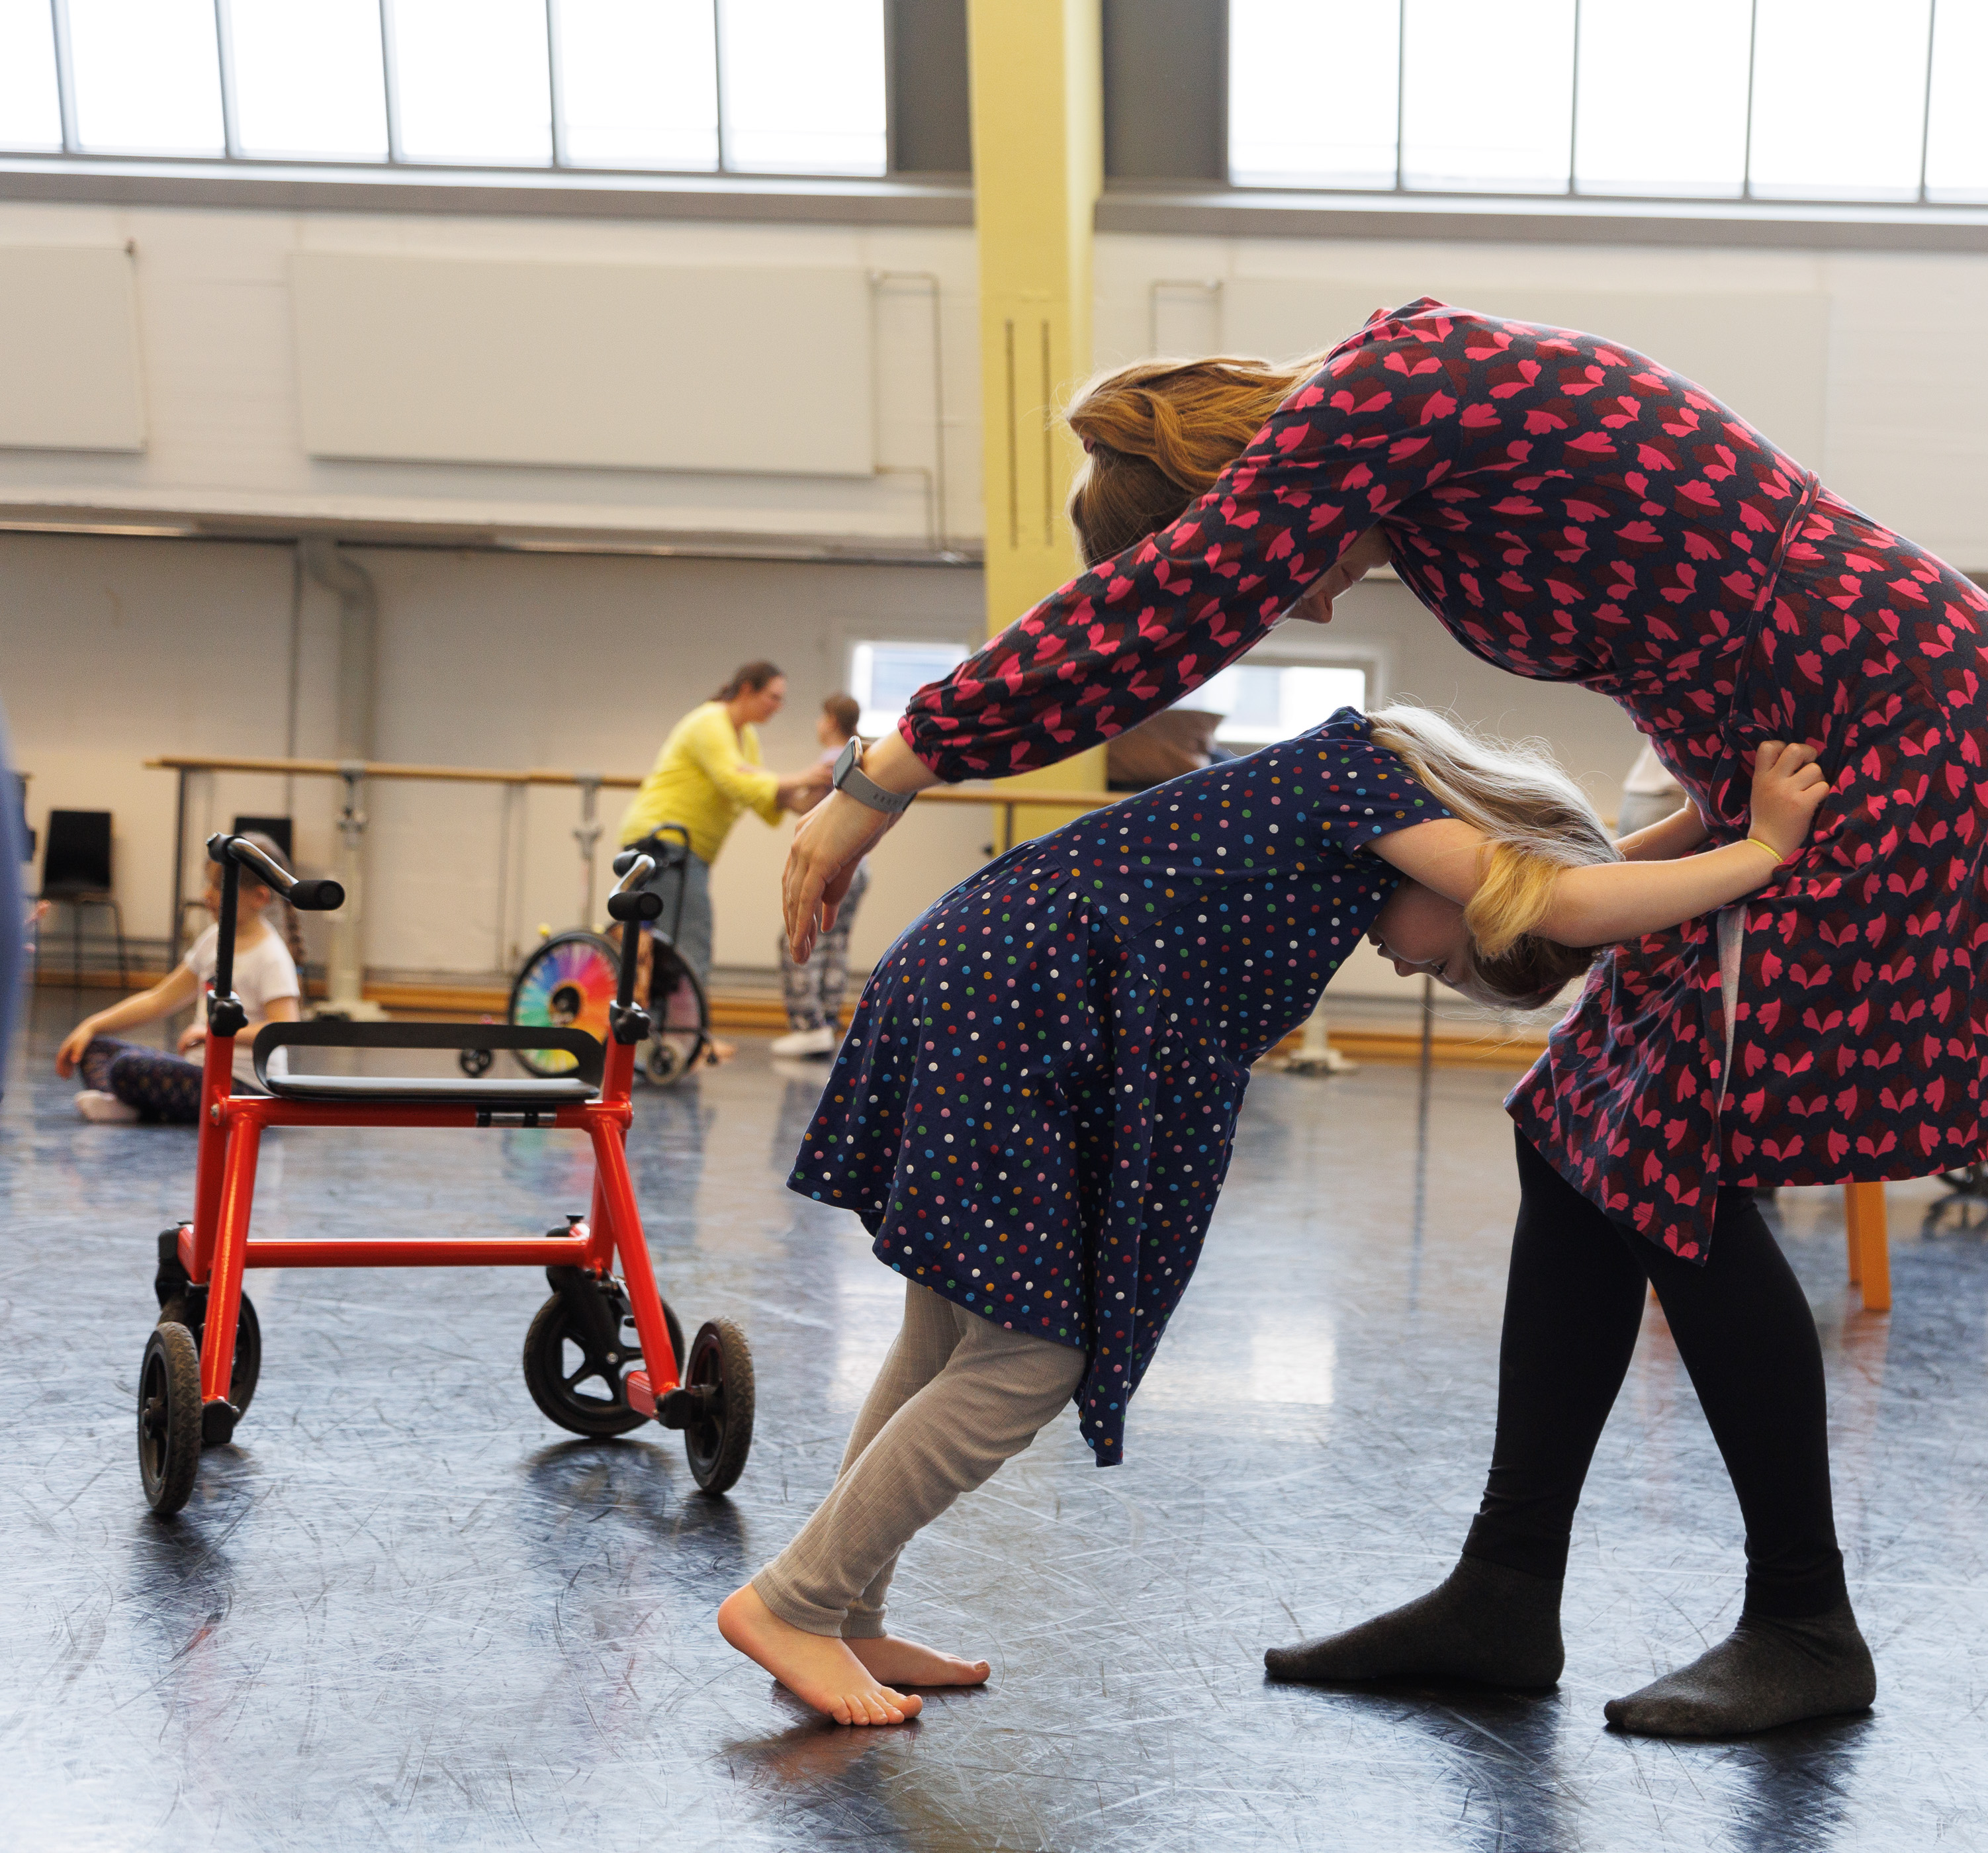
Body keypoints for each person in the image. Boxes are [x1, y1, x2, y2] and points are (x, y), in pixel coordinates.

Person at [782, 299, 1988, 1738]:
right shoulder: (1407, 429)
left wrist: (883, 774)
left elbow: (1146, 624)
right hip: (1794, 736)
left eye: (1291, 584)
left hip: (1901, 719)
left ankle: (1803, 1617)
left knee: (1680, 1158)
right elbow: (1587, 822)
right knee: (1576, 1131)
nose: (1321, 607)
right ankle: (1506, 1590)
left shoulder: (1397, 386)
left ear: (1253, 504)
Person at [718, 704, 1832, 1726]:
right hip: (1016, 1004)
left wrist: (1696, 817)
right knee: (1028, 1359)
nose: (1402, 961)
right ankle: (797, 1602)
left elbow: (1556, 886)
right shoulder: (1369, 781)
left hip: (992, 984)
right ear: (1488, 859)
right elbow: (1556, 894)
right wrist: (1759, 851)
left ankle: (846, 1613)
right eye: (1442, 955)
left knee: (947, 1337)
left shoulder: (1369, 803)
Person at [54, 837, 301, 1123]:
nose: (206, 894)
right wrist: (91, 1025)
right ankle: (136, 1106)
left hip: (246, 1088)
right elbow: (159, 999)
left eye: (219, 887)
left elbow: (285, 1028)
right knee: (94, 1050)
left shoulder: (270, 956)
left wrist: (214, 1033)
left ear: (260, 897)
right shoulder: (214, 939)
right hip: (199, 1073)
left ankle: (133, 1107)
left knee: (127, 1068)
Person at [617, 660, 820, 1005]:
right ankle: (688, 1039)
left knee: (675, 941)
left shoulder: (747, 736)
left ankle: (677, 1037)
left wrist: (825, 792)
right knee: (688, 941)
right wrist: (805, 776)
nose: (779, 707)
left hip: (687, 850)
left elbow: (765, 795)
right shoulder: (709, 721)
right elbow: (734, 779)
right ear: (746, 690)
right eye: (773, 697)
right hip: (663, 842)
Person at [770, 693, 875, 1060]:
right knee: (836, 942)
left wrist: (773, 791)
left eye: (820, 718)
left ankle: (808, 1025)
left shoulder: (832, 758)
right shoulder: (859, 752)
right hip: (858, 866)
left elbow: (808, 805)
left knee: (798, 940)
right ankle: (828, 1024)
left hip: (830, 864)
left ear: (830, 720)